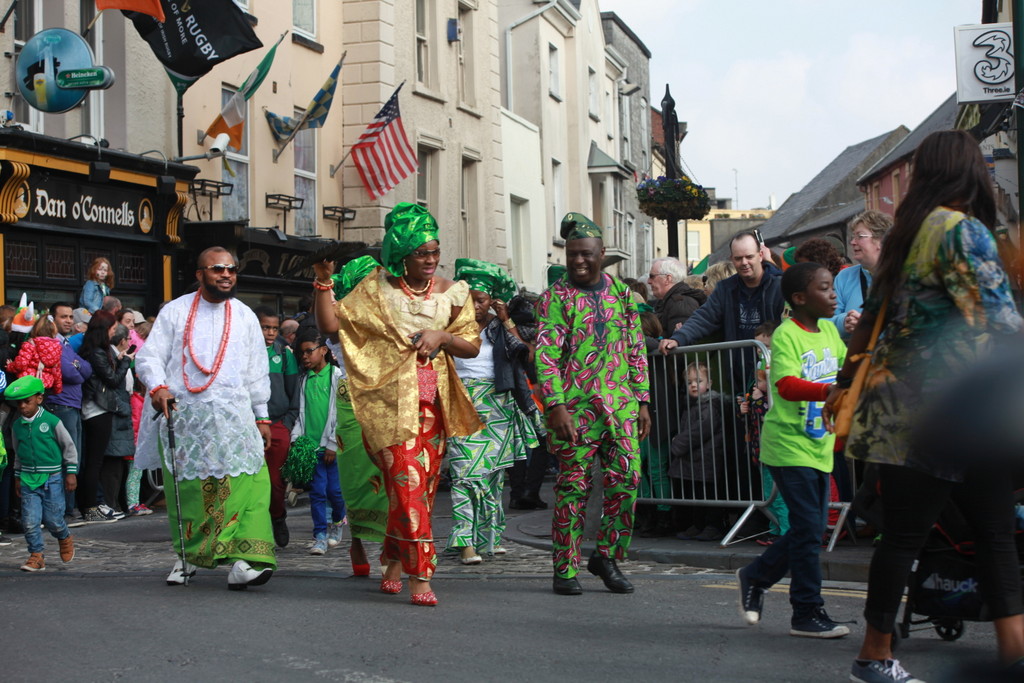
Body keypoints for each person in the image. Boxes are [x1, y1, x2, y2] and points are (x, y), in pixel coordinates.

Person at [822, 130, 1024, 683]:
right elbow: (1000, 320)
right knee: (991, 534)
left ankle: (1004, 653)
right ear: (969, 171)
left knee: (912, 537)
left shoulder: (909, 235)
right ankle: (875, 657)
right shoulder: (961, 231)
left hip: (902, 410)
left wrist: (844, 382)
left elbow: (874, 320)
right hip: (952, 410)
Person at [314, 203, 482, 607]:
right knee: (407, 487)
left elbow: (472, 345)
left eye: (435, 251)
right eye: (421, 253)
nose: (430, 259)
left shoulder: (452, 292)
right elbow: (331, 325)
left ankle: (392, 560)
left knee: (418, 492)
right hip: (388, 409)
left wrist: (442, 337)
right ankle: (420, 575)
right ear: (402, 255)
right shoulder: (376, 289)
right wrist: (322, 282)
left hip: (433, 409)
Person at [135, 247, 276, 590]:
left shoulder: (244, 315)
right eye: (217, 269)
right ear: (200, 274)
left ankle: (246, 561)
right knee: (192, 494)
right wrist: (158, 387)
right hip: (188, 422)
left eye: (231, 269)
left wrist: (262, 416)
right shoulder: (175, 311)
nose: (226, 274)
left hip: (235, 422)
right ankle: (188, 556)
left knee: (250, 487)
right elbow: (149, 357)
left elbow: (257, 369)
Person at [536, 212, 651, 596]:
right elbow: (547, 357)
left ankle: (606, 556)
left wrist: (643, 400)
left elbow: (636, 348)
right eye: (572, 254)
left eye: (586, 253)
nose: (578, 261)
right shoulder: (555, 298)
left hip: (620, 406)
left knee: (628, 480)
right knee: (573, 488)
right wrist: (556, 406)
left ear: (602, 254)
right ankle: (564, 568)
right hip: (575, 409)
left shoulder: (621, 293)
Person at [735, 262, 850, 639]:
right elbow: (784, 384)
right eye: (825, 288)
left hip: (819, 446)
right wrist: (827, 390)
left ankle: (756, 576)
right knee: (808, 529)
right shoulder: (786, 335)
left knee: (810, 529)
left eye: (833, 287)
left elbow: (846, 373)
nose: (833, 295)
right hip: (788, 446)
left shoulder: (830, 331)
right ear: (800, 298)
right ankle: (806, 610)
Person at [445, 258, 539, 564]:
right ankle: (465, 542)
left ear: (492, 301)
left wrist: (506, 319)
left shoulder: (500, 326)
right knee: (464, 473)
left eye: (481, 300)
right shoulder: (449, 324)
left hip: (498, 404)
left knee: (493, 476)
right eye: (470, 299)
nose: (475, 306)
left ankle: (490, 537)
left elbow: (528, 357)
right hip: (461, 402)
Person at [325, 256, 390, 576]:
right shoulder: (339, 317)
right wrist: (323, 283)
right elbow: (326, 323)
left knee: (391, 475)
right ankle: (358, 541)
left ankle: (391, 547)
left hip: (388, 399)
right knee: (354, 479)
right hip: (351, 400)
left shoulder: (392, 314)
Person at [660, 232, 785, 393]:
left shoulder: (780, 285)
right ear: (731, 259)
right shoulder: (726, 288)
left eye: (749, 257)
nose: (744, 262)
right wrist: (678, 338)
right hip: (739, 376)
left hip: (774, 373)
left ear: (760, 255)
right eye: (738, 258)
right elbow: (704, 317)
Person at [6, 375, 77, 572]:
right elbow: (18, 453)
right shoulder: (17, 426)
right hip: (28, 479)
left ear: (39, 398)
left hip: (52, 479)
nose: (22, 406)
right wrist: (17, 477)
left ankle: (64, 536)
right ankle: (36, 555)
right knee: (30, 521)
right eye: (19, 403)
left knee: (54, 520)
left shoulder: (52, 421)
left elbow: (69, 446)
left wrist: (71, 472)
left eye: (27, 401)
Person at [291, 328, 346, 556]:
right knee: (317, 493)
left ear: (323, 350)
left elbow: (340, 412)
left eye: (309, 351)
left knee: (335, 491)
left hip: (331, 447)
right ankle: (320, 535)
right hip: (311, 447)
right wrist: (297, 439)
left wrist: (332, 443)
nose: (305, 357)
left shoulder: (337, 376)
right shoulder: (304, 379)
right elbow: (301, 413)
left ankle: (338, 521)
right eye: (301, 353)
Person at [78, 311, 132, 524]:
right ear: (103, 330)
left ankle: (94, 505)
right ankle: (91, 507)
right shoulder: (97, 352)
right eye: (112, 329)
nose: (113, 333)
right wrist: (125, 362)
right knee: (95, 461)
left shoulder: (92, 350)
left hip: (96, 409)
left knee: (94, 461)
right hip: (97, 410)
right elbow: (113, 380)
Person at [668, 361, 729, 542]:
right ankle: (699, 524)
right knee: (696, 494)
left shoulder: (709, 405)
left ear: (709, 384)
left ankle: (714, 526)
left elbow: (701, 430)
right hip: (694, 459)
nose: (693, 385)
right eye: (689, 382)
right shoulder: (692, 404)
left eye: (699, 381)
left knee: (709, 494)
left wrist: (678, 443)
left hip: (707, 458)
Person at [43, 302, 92, 527]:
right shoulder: (52, 343)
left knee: (74, 457)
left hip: (73, 404)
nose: (69, 321)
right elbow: (70, 372)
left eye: (71, 317)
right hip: (60, 404)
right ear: (52, 319)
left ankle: (68, 509)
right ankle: (64, 512)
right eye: (63, 317)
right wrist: (78, 367)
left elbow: (86, 368)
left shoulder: (66, 343)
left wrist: (78, 367)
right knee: (66, 458)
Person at [254, 306, 299, 548]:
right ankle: (255, 529)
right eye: (265, 327)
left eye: (274, 328)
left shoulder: (284, 353)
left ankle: (278, 517)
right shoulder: (244, 352)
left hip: (278, 424)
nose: (270, 333)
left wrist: (288, 423)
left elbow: (294, 392)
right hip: (250, 425)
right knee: (251, 480)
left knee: (275, 481)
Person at [738, 322, 786, 545]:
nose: (761, 351)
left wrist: (757, 401)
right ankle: (775, 529)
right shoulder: (760, 370)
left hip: (775, 446)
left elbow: (769, 412)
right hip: (760, 447)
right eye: (757, 346)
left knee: (779, 492)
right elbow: (754, 417)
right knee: (769, 493)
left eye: (766, 346)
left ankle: (785, 531)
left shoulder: (778, 376)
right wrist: (745, 407)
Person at [829, 210, 892, 340]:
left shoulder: (907, 276)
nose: (853, 242)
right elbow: (824, 322)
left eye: (860, 236)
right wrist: (844, 322)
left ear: (881, 241)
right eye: (853, 237)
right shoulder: (844, 277)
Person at [99, 324, 135, 516]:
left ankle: (117, 504)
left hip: (121, 413)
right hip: (115, 412)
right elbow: (113, 384)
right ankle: (110, 504)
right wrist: (124, 408)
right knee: (111, 463)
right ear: (122, 341)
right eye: (128, 339)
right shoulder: (111, 357)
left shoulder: (118, 356)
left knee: (118, 463)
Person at [8, 313, 64, 395]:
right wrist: (57, 389)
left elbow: (21, 364)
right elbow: (57, 371)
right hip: (44, 387)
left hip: (27, 383)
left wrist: (10, 366)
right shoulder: (57, 349)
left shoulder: (30, 344)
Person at [648, 257, 706, 332]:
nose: (649, 281)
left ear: (667, 279)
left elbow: (680, 338)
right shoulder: (669, 301)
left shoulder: (681, 303)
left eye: (652, 276)